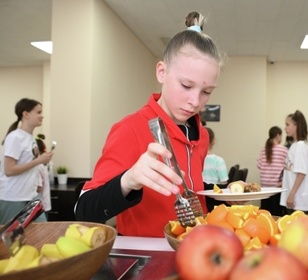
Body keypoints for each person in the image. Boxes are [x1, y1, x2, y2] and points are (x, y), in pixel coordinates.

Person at [75, 12, 225, 237]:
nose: (195, 102)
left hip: (195, 250)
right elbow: (83, 210)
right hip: (146, 259)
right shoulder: (130, 129)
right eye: (186, 85)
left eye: (206, 92)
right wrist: (130, 179)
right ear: (162, 72)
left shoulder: (201, 135)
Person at [0, 98, 53, 224]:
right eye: (38, 112)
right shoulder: (15, 138)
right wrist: (39, 160)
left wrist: (42, 160)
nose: (42, 116)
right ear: (26, 114)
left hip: (31, 195)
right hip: (13, 197)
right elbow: (9, 170)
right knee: (9, 240)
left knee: (42, 231)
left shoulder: (31, 139)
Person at [280, 111, 308, 212]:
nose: (285, 128)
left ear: (296, 126)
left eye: (287, 124)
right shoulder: (295, 145)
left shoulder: (300, 146)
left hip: (298, 200)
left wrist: (291, 194)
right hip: (295, 199)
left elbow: (301, 173)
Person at [257, 126, 288, 216]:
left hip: (264, 188)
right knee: (276, 214)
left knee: (265, 213)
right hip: (276, 187)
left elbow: (259, 165)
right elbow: (288, 167)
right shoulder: (283, 150)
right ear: (278, 135)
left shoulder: (264, 149)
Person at [202, 127, 228, 211]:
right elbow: (224, 181)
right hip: (215, 199)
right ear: (213, 141)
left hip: (199, 199)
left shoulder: (193, 160)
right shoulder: (218, 161)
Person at [35, 134, 52, 216]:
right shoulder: (43, 165)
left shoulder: (37, 166)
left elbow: (38, 188)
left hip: (39, 206)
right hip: (45, 205)